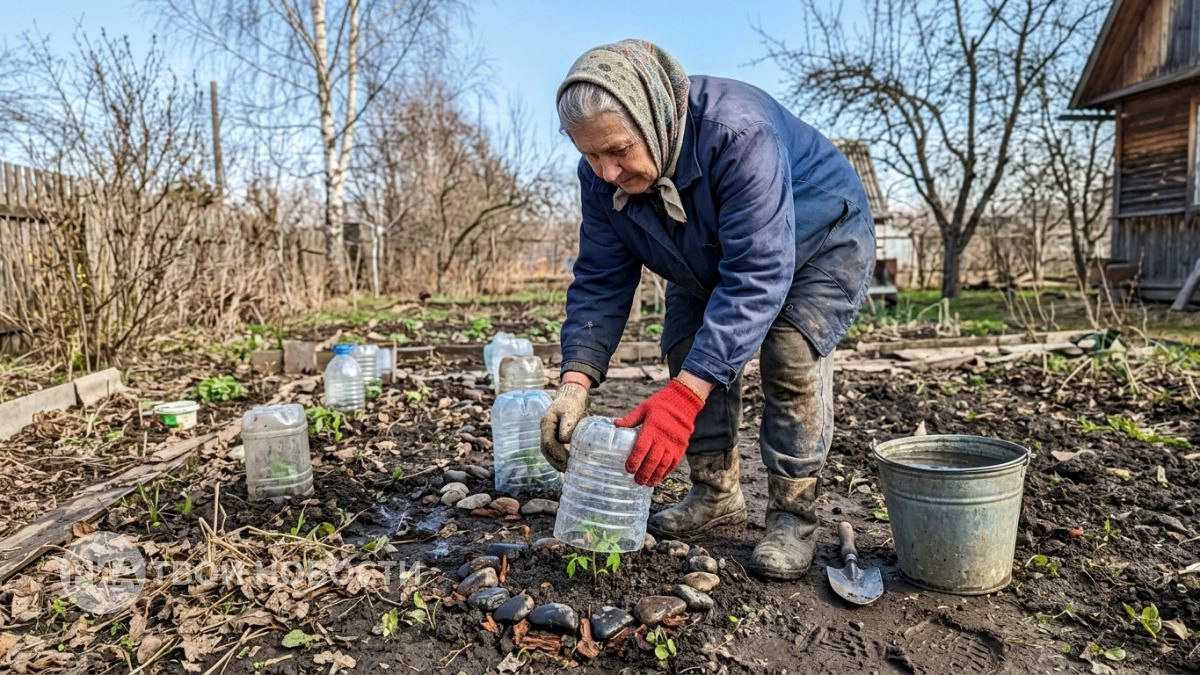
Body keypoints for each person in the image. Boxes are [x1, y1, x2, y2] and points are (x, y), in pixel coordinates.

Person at [539, 39, 875, 581]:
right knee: (687, 348)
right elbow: (601, 277)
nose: (607, 172)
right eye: (590, 155)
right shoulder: (601, 176)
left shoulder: (738, 133)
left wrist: (683, 399)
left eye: (619, 150)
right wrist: (574, 383)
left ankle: (793, 515)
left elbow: (758, 272)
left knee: (789, 357)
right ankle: (716, 494)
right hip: (705, 251)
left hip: (817, 240)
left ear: (653, 118)